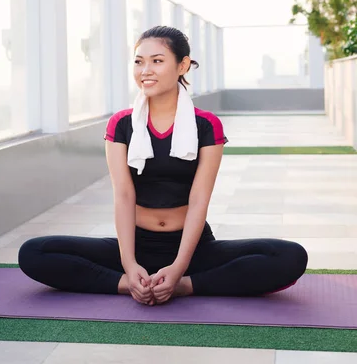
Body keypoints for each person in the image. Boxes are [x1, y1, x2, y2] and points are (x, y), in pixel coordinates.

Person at [19, 25, 308, 305]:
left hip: (192, 247)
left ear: (182, 66)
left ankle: (186, 286)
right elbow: (123, 195)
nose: (145, 70)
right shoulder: (121, 124)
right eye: (139, 62)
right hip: (136, 242)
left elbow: (198, 200)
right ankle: (125, 284)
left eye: (157, 61)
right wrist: (129, 265)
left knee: (289, 256)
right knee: (34, 252)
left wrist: (180, 268)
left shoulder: (206, 125)